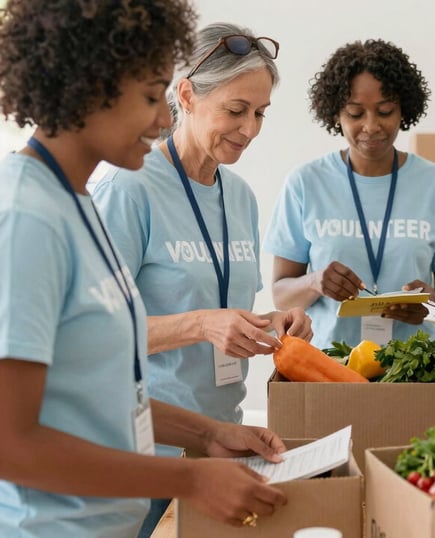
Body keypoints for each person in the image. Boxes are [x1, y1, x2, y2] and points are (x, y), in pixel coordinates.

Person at [0, 3, 291, 536]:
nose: (163, 119)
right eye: (152, 96)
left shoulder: (75, 203)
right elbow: (10, 442)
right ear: (92, 87)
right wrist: (189, 480)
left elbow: (107, 388)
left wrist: (207, 436)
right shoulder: (27, 217)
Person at [91, 22, 312, 536]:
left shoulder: (240, 196)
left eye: (260, 113)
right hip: (137, 449)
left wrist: (274, 322)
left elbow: (225, 311)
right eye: (236, 111)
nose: (251, 129)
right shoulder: (128, 186)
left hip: (218, 444)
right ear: (186, 95)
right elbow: (92, 336)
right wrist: (199, 324)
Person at [263, 39, 435, 349]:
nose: (371, 126)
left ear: (404, 109)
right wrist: (315, 282)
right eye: (355, 113)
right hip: (330, 366)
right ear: (336, 114)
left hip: (413, 365)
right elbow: (281, 293)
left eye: (385, 111)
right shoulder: (305, 183)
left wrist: (429, 302)